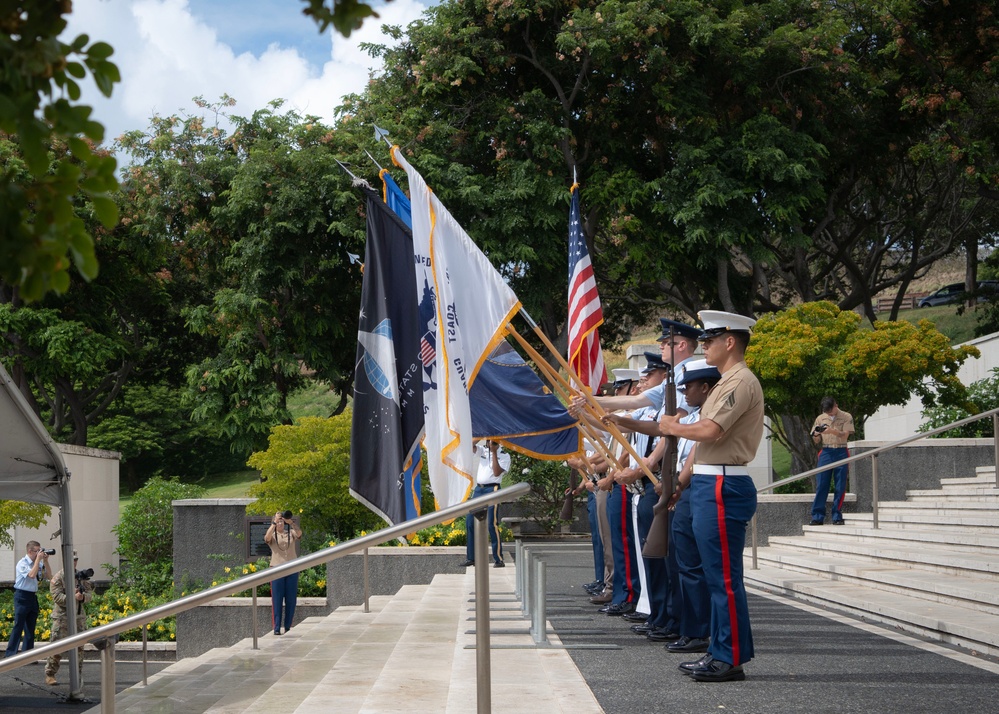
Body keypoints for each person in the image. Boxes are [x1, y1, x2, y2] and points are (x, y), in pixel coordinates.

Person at [657, 310, 764, 683]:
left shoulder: (738, 381)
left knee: (722, 578)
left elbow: (710, 429)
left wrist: (673, 425)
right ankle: (722, 650)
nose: (705, 346)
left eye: (710, 340)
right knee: (716, 576)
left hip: (721, 484)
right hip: (709, 482)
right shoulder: (725, 382)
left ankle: (728, 656)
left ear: (730, 341)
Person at [664, 359, 721, 655]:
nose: (685, 392)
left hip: (697, 486)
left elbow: (694, 457)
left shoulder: (706, 419)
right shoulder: (695, 416)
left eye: (690, 387)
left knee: (693, 566)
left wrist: (678, 486)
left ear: (706, 387)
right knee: (682, 563)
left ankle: (699, 631)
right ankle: (692, 628)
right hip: (688, 490)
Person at [45, 551, 93, 686]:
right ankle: (50, 674)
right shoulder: (58, 577)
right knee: (57, 647)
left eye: (76, 560)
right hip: (62, 617)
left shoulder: (81, 576)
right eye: (72, 560)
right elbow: (57, 597)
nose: (74, 562)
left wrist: (83, 597)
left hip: (78, 617)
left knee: (79, 648)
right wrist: (73, 596)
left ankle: (77, 675)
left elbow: (90, 594)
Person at [462, 439, 511, 568]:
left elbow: (496, 472)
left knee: (491, 523)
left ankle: (498, 558)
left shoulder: (504, 455)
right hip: (479, 489)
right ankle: (471, 557)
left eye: (493, 441)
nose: (490, 443)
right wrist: (483, 433)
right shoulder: (483, 450)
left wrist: (494, 452)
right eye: (489, 441)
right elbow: (468, 444)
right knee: (470, 521)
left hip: (492, 489)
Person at [810, 396, 855, 525]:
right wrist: (816, 435)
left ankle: (837, 515)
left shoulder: (846, 416)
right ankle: (817, 516)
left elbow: (845, 435)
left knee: (840, 485)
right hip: (826, 451)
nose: (829, 414)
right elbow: (816, 440)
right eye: (827, 412)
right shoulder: (820, 418)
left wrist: (832, 431)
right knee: (821, 484)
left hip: (841, 451)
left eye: (831, 411)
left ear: (836, 406)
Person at [5, 541, 48, 658]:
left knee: (30, 627)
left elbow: (48, 576)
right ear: (30, 551)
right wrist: (38, 561)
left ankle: (28, 655)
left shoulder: (37, 563)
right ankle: (10, 655)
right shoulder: (22, 563)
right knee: (18, 626)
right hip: (22, 596)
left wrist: (46, 561)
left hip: (32, 596)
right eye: (37, 551)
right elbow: (32, 575)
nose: (39, 553)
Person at [265, 510, 302, 635]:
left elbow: (299, 533)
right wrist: (273, 523)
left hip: (291, 569)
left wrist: (290, 522)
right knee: (277, 599)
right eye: (278, 520)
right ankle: (276, 628)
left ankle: (287, 626)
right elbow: (267, 538)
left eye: (282, 520)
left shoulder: (290, 533)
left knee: (291, 600)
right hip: (276, 569)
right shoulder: (273, 534)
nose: (280, 522)